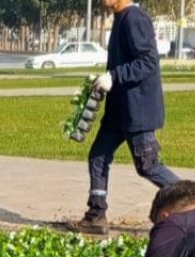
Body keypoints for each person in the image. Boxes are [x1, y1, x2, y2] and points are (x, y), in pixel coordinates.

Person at [67, 0, 180, 235]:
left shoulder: (134, 19)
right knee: (98, 156)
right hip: (118, 111)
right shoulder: (121, 19)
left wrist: (114, 76)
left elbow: (148, 62)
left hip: (136, 110)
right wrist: (104, 82)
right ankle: (96, 215)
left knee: (148, 166)